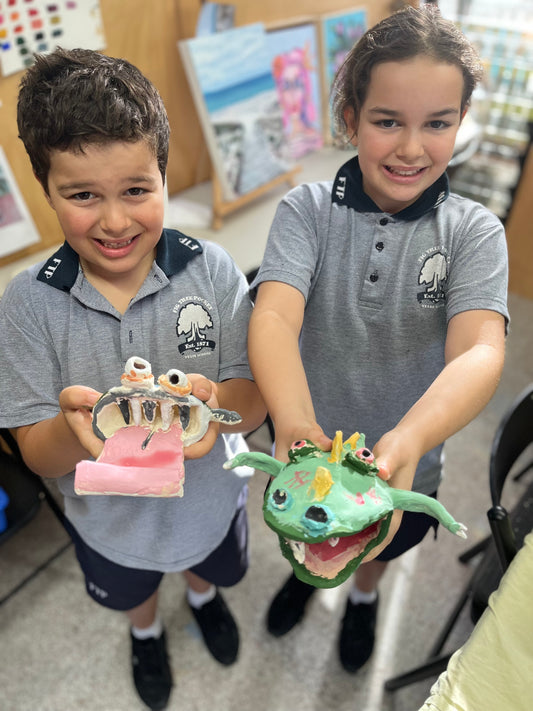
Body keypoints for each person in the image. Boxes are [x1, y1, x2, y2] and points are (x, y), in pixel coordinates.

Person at [0, 48, 265, 710]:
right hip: (111, 524)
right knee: (133, 592)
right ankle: (145, 633)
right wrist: (74, 429)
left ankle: (203, 598)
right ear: (47, 191)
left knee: (209, 567)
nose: (115, 221)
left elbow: (253, 398)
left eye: (136, 190)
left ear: (164, 177)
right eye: (82, 195)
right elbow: (35, 451)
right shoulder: (28, 303)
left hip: (211, 501)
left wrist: (214, 404)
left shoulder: (212, 269)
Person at [248, 5, 508, 674]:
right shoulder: (305, 212)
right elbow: (273, 318)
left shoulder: (475, 233)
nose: (411, 148)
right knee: (311, 538)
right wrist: (293, 421)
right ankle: (309, 576)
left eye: (437, 123)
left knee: (376, 549)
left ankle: (362, 595)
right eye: (387, 121)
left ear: (461, 120)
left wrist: (411, 438)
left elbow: (480, 350)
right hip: (307, 453)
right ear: (351, 118)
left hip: (406, 461)